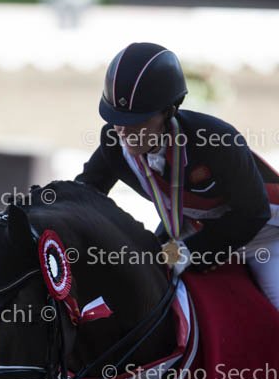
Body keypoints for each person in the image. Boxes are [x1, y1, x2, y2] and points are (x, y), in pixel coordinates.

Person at [75, 42, 279, 309]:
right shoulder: (114, 142)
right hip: (188, 232)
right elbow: (85, 192)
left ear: (168, 111)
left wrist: (190, 251)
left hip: (265, 236)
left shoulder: (217, 141)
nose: (122, 131)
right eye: (115, 118)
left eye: (136, 121)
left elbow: (254, 213)